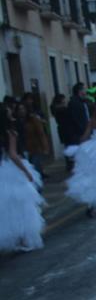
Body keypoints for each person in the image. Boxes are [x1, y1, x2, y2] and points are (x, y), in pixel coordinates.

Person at [0, 103, 45, 252]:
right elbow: (13, 155)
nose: (12, 114)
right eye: (9, 112)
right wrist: (26, 171)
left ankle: (17, 239)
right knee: (23, 206)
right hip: (13, 170)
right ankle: (24, 239)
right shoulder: (10, 132)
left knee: (8, 208)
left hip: (2, 170)